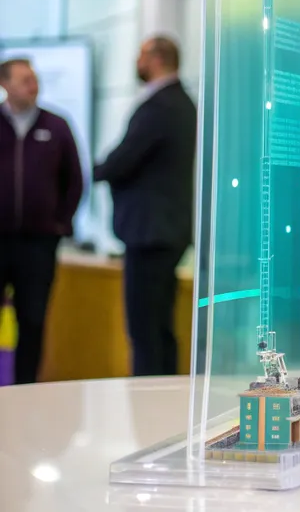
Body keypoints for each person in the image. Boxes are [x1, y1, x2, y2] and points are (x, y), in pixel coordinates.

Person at [94, 36, 196, 377]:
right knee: (160, 325)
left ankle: (148, 403)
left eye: (140, 55)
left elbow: (123, 159)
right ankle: (165, 399)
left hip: (150, 231)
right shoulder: (181, 103)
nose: (136, 62)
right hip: (168, 229)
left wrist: (94, 171)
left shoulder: (161, 106)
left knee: (145, 328)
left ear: (155, 59)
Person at [0, 57, 84, 384]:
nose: (32, 86)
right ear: (5, 84)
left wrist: (59, 224)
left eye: (33, 79)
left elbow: (74, 181)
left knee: (33, 320)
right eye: (23, 80)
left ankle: (25, 389)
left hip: (38, 245)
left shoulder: (57, 126)